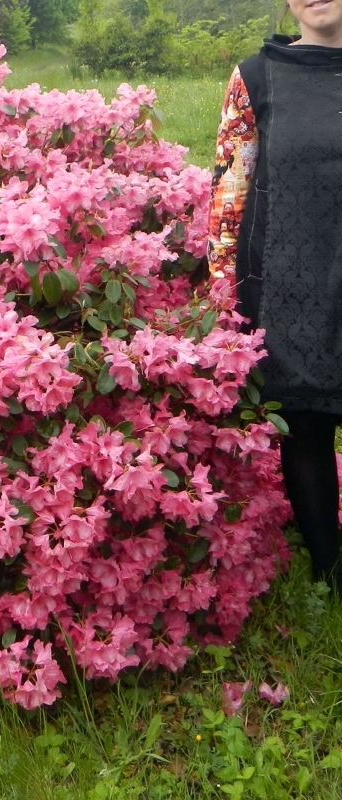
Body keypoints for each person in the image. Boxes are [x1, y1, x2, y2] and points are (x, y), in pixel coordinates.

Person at [208, 0, 342, 592]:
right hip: (290, 281)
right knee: (306, 428)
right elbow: (229, 187)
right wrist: (223, 292)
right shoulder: (257, 76)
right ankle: (329, 571)